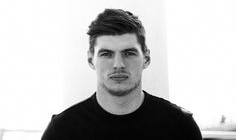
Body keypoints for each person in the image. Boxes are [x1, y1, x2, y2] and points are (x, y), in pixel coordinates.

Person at [41, 8, 202, 140]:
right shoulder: (61, 131)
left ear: (146, 58)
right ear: (91, 60)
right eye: (106, 54)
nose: (118, 64)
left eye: (129, 53)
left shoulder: (180, 127)